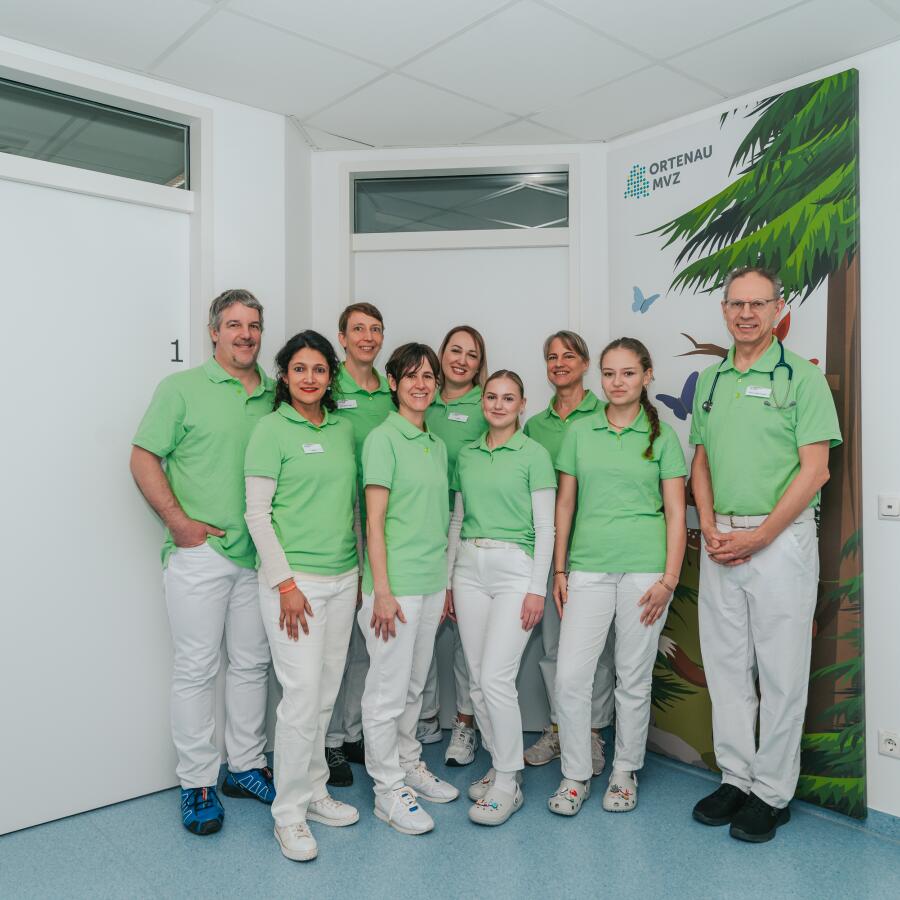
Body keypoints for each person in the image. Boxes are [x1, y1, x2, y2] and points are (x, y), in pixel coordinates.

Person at [689, 266, 840, 843]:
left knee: (781, 672)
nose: (746, 313)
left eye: (758, 303)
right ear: (724, 311)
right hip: (721, 539)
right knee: (727, 668)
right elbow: (701, 460)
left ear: (779, 309)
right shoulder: (711, 380)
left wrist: (759, 537)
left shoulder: (802, 378)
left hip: (780, 542)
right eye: (737, 304)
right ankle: (736, 777)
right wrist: (708, 524)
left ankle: (772, 792)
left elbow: (816, 470)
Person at [130, 289, 275, 836]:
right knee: (196, 669)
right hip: (201, 554)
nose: (245, 334)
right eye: (234, 324)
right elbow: (143, 457)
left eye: (253, 325)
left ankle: (245, 767)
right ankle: (196, 783)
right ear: (213, 332)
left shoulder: (277, 395)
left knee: (252, 665)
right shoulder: (181, 389)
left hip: (260, 556)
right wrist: (178, 523)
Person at [550, 337, 686, 816]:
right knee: (571, 677)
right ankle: (575, 774)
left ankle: (625, 772)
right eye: (609, 373)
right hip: (588, 567)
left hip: (646, 573)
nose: (617, 382)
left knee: (633, 678)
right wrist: (560, 568)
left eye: (628, 373)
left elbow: (676, 513)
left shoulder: (663, 437)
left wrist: (669, 580)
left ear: (647, 376)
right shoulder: (579, 432)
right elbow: (565, 505)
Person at [243, 330, 361, 862]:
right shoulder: (270, 430)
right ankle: (288, 814)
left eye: (318, 369)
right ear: (284, 376)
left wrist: (356, 574)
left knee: (325, 695)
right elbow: (257, 515)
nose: (309, 378)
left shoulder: (342, 429)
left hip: (342, 577)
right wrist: (285, 584)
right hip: (296, 585)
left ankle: (315, 792)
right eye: (299, 369)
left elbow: (350, 507)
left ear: (330, 376)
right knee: (301, 698)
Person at [359, 343, 460, 835]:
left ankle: (408, 763)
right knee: (386, 692)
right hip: (393, 588)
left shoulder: (436, 444)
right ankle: (387, 790)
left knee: (414, 687)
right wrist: (381, 590)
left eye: (428, 376)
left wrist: (443, 584)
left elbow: (438, 520)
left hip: (430, 582)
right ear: (393, 383)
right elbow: (374, 523)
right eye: (411, 376)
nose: (421, 384)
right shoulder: (383, 439)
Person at [448, 370, 556, 825]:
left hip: (515, 570)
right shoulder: (467, 455)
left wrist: (536, 588)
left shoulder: (535, 455)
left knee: (495, 677)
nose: (497, 404)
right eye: (491, 396)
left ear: (522, 404)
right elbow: (457, 520)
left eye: (508, 398)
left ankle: (509, 782)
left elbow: (546, 527)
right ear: (483, 402)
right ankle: (499, 765)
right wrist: (449, 580)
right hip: (469, 567)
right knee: (477, 679)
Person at [522, 331, 615, 775]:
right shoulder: (534, 426)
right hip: (549, 553)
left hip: (594, 551)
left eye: (568, 356)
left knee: (597, 651)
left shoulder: (606, 414)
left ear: (585, 363)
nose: (559, 363)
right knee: (554, 646)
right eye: (551, 357)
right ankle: (561, 728)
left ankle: (591, 732)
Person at [324, 302, 393, 788]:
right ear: (342, 337)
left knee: (369, 639)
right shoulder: (328, 388)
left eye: (375, 329)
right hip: (336, 522)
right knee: (336, 644)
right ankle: (328, 741)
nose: (367, 337)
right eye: (358, 329)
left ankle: (353, 732)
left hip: (380, 525)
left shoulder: (392, 393)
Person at [418, 325, 488, 766]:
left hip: (467, 530)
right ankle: (423, 718)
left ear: (481, 364)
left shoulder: (487, 405)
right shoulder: (419, 396)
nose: (461, 360)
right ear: (441, 354)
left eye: (472, 354)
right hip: (419, 527)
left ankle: (465, 723)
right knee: (417, 629)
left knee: (467, 634)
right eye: (455, 351)